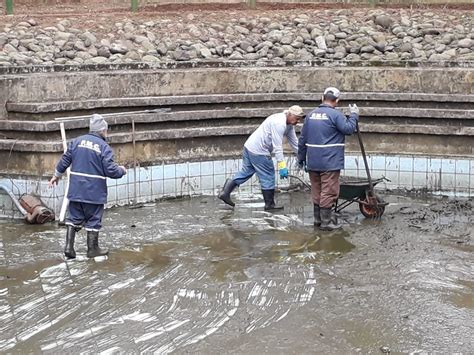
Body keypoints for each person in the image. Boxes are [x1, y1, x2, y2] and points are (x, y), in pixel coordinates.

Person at [49, 114, 127, 259]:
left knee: (73, 217)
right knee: (93, 219)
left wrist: (56, 175)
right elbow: (111, 171)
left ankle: (69, 247)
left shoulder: (76, 142)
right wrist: (122, 170)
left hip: (76, 190)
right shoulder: (104, 147)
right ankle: (92, 249)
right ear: (103, 131)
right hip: (94, 193)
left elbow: (65, 160)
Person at [218, 105, 305, 211]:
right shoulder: (279, 123)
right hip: (259, 151)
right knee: (268, 175)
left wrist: (303, 157)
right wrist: (282, 166)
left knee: (246, 172)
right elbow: (277, 146)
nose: (298, 121)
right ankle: (270, 205)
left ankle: (225, 192)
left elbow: (294, 143)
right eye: (297, 118)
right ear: (290, 114)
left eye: (299, 119)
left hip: (249, 147)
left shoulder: (288, 124)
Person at [297, 87, 359, 231]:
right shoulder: (335, 115)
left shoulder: (311, 115)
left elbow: (302, 140)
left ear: (322, 97)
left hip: (313, 160)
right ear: (337, 100)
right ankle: (326, 222)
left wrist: (301, 158)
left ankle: (317, 220)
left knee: (317, 190)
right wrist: (354, 115)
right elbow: (348, 129)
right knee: (328, 191)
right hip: (330, 161)